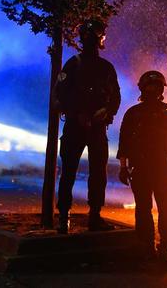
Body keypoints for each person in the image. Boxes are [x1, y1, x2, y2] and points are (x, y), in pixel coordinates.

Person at [54, 18, 121, 234]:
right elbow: (60, 95)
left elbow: (115, 97)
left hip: (94, 127)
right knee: (73, 173)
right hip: (76, 126)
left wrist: (107, 112)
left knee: (92, 173)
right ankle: (69, 216)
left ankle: (83, 217)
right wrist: (78, 113)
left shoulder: (102, 67)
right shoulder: (76, 64)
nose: (94, 41)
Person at [116, 70, 167, 266]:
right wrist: (123, 167)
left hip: (163, 168)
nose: (153, 90)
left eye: (156, 86)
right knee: (143, 209)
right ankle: (148, 246)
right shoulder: (133, 113)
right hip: (140, 167)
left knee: (166, 208)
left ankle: (165, 246)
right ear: (142, 89)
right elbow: (125, 143)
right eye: (149, 86)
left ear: (161, 89)